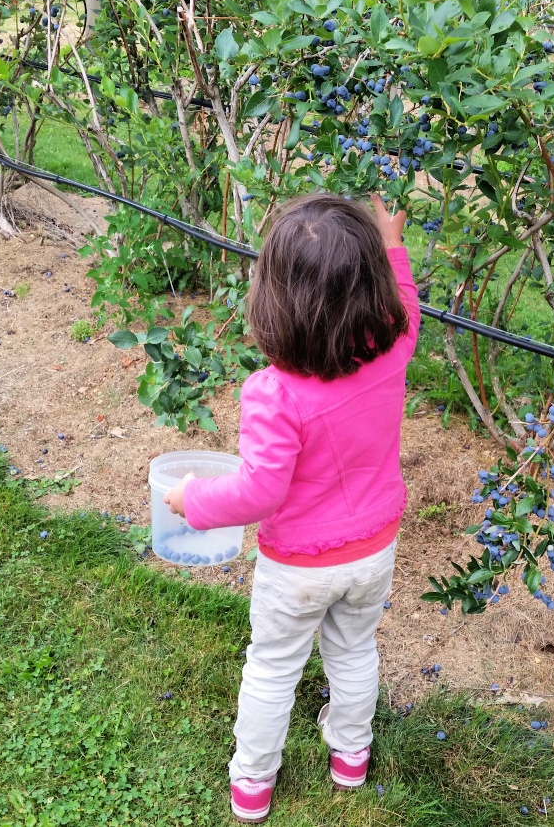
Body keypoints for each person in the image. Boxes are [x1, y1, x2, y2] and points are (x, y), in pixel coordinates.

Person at [164, 191, 420, 824]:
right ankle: (350, 759)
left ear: (274, 297)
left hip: (299, 565)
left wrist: (188, 499)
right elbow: (409, 305)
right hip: (373, 548)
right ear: (371, 288)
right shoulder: (394, 348)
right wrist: (392, 243)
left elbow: (259, 492)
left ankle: (252, 786)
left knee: (274, 668)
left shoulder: (274, 393)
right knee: (355, 650)